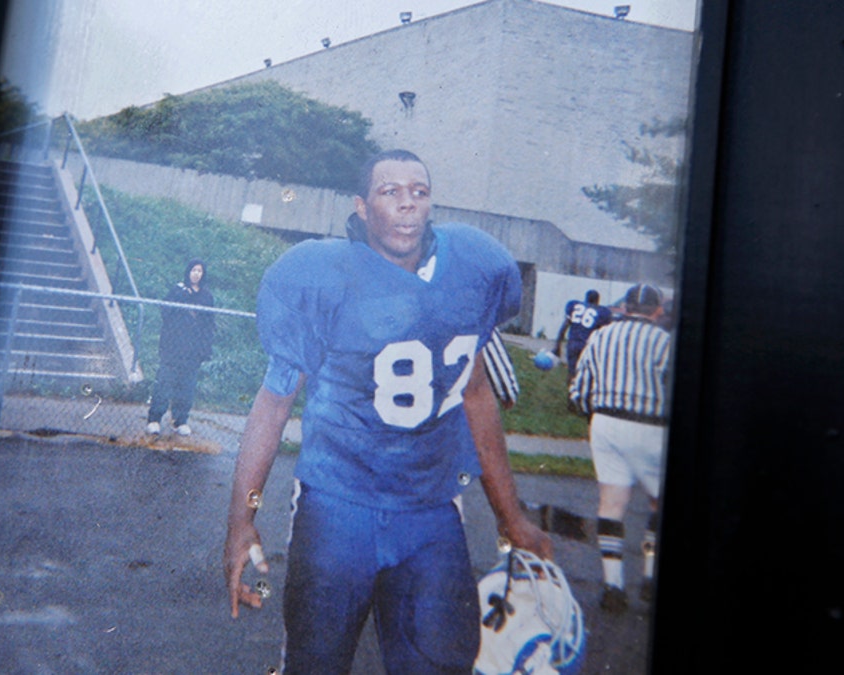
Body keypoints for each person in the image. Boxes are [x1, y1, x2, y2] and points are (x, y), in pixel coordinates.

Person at [223, 150, 551, 674]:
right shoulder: (323, 274)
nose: (407, 205)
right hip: (338, 505)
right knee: (316, 664)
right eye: (389, 192)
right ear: (361, 206)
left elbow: (476, 396)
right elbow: (274, 403)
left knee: (441, 664)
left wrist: (512, 518)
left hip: (430, 509)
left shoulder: (471, 268)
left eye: (418, 192)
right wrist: (243, 520)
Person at [568, 283, 671, 613]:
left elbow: (580, 390)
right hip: (652, 426)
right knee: (657, 503)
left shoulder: (602, 336)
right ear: (657, 311)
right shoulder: (665, 342)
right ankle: (650, 578)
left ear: (625, 307)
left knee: (611, 504)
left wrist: (591, 412)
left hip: (607, 423)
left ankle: (613, 587)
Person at [146, 258, 214, 437]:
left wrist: (204, 350)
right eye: (193, 270)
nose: (196, 274)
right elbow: (166, 312)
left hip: (193, 352)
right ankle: (154, 419)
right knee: (164, 383)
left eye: (200, 271)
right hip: (173, 348)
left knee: (187, 387)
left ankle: (180, 421)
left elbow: (209, 324)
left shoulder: (207, 296)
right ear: (188, 271)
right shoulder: (177, 291)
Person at [553, 289, 613, 381]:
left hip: (573, 344)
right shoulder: (602, 312)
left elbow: (564, 326)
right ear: (598, 301)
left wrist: (557, 346)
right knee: (588, 375)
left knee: (572, 373)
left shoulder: (575, 306)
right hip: (588, 346)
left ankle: (571, 393)